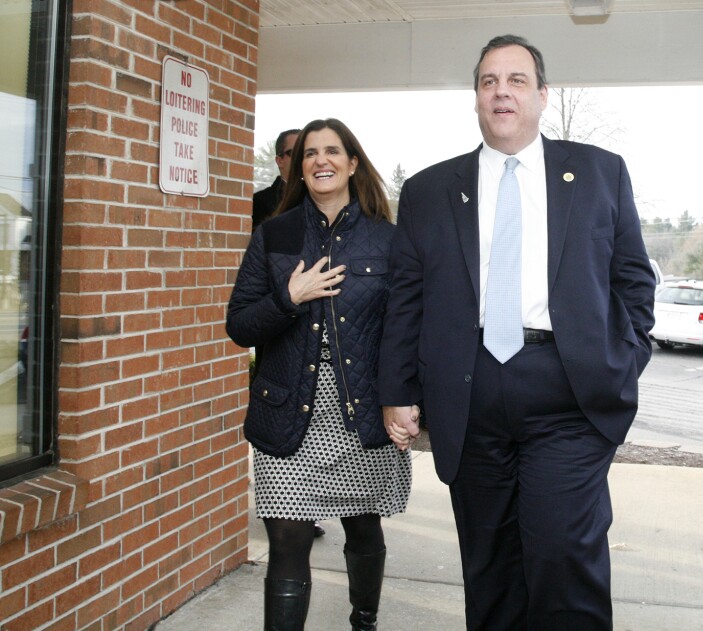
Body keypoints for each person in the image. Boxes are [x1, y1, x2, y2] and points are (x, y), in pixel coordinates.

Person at [378, 35, 656, 630]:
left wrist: (625, 357)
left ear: (542, 95)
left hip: (569, 394)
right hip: (468, 393)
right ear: (476, 98)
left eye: (516, 79)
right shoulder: (428, 191)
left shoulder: (600, 172)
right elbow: (406, 298)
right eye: (488, 81)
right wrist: (397, 389)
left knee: (563, 559)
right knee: (491, 570)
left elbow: (633, 279)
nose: (501, 90)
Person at [228, 118, 416, 631]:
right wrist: (290, 298)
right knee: (287, 543)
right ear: (299, 168)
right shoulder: (275, 234)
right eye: (310, 153)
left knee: (362, 527)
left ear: (353, 163)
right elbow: (240, 325)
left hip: (361, 413)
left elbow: (408, 331)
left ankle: (364, 621)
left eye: (333, 151)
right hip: (289, 414)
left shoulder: (389, 240)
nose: (320, 161)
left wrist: (410, 399)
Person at [252, 127, 326, 539]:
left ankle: (307, 506)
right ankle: (288, 508)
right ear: (280, 160)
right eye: (296, 153)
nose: (309, 161)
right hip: (279, 336)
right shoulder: (261, 209)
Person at [252, 128, 300, 231]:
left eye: (307, 153)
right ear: (279, 161)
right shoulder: (259, 202)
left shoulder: (320, 199)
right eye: (295, 152)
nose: (301, 158)